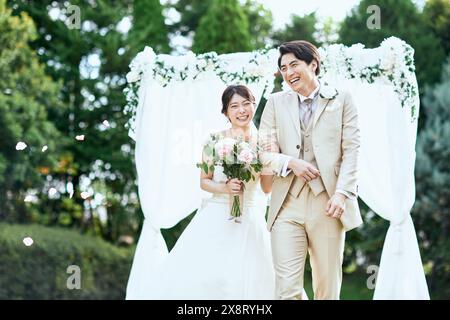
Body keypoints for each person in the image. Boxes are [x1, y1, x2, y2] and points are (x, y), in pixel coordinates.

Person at [142, 85, 275, 299]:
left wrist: (270, 160)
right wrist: (225, 187)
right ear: (225, 112)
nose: (241, 110)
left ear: (253, 105)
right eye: (234, 106)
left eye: (246, 104)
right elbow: (204, 181)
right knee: (204, 277)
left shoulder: (265, 141)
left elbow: (267, 188)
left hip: (250, 216)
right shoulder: (213, 139)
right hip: (217, 213)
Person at [258, 40, 363, 300]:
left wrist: (342, 194)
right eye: (283, 68)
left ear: (313, 64)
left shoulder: (342, 99)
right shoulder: (274, 103)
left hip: (327, 202)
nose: (289, 72)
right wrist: (290, 162)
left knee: (327, 290)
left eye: (294, 64)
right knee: (287, 290)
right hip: (286, 203)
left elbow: (352, 150)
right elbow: (263, 153)